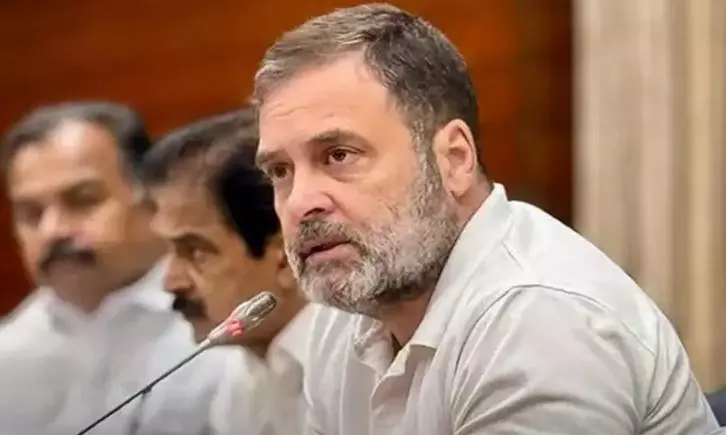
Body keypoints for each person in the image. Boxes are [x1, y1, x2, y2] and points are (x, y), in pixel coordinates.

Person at [252, 3, 722, 434]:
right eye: (280, 171)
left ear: (454, 160)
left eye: (339, 154)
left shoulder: (540, 319)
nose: (299, 203)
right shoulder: (341, 321)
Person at [0, 102, 230, 435]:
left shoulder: (226, 320)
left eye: (83, 199)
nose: (53, 230)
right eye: (31, 213)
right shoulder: (9, 353)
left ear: (151, 199)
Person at [138, 107, 314, 435]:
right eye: (169, 251)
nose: (170, 281)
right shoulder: (239, 378)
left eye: (196, 251)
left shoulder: (357, 363)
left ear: (285, 257)